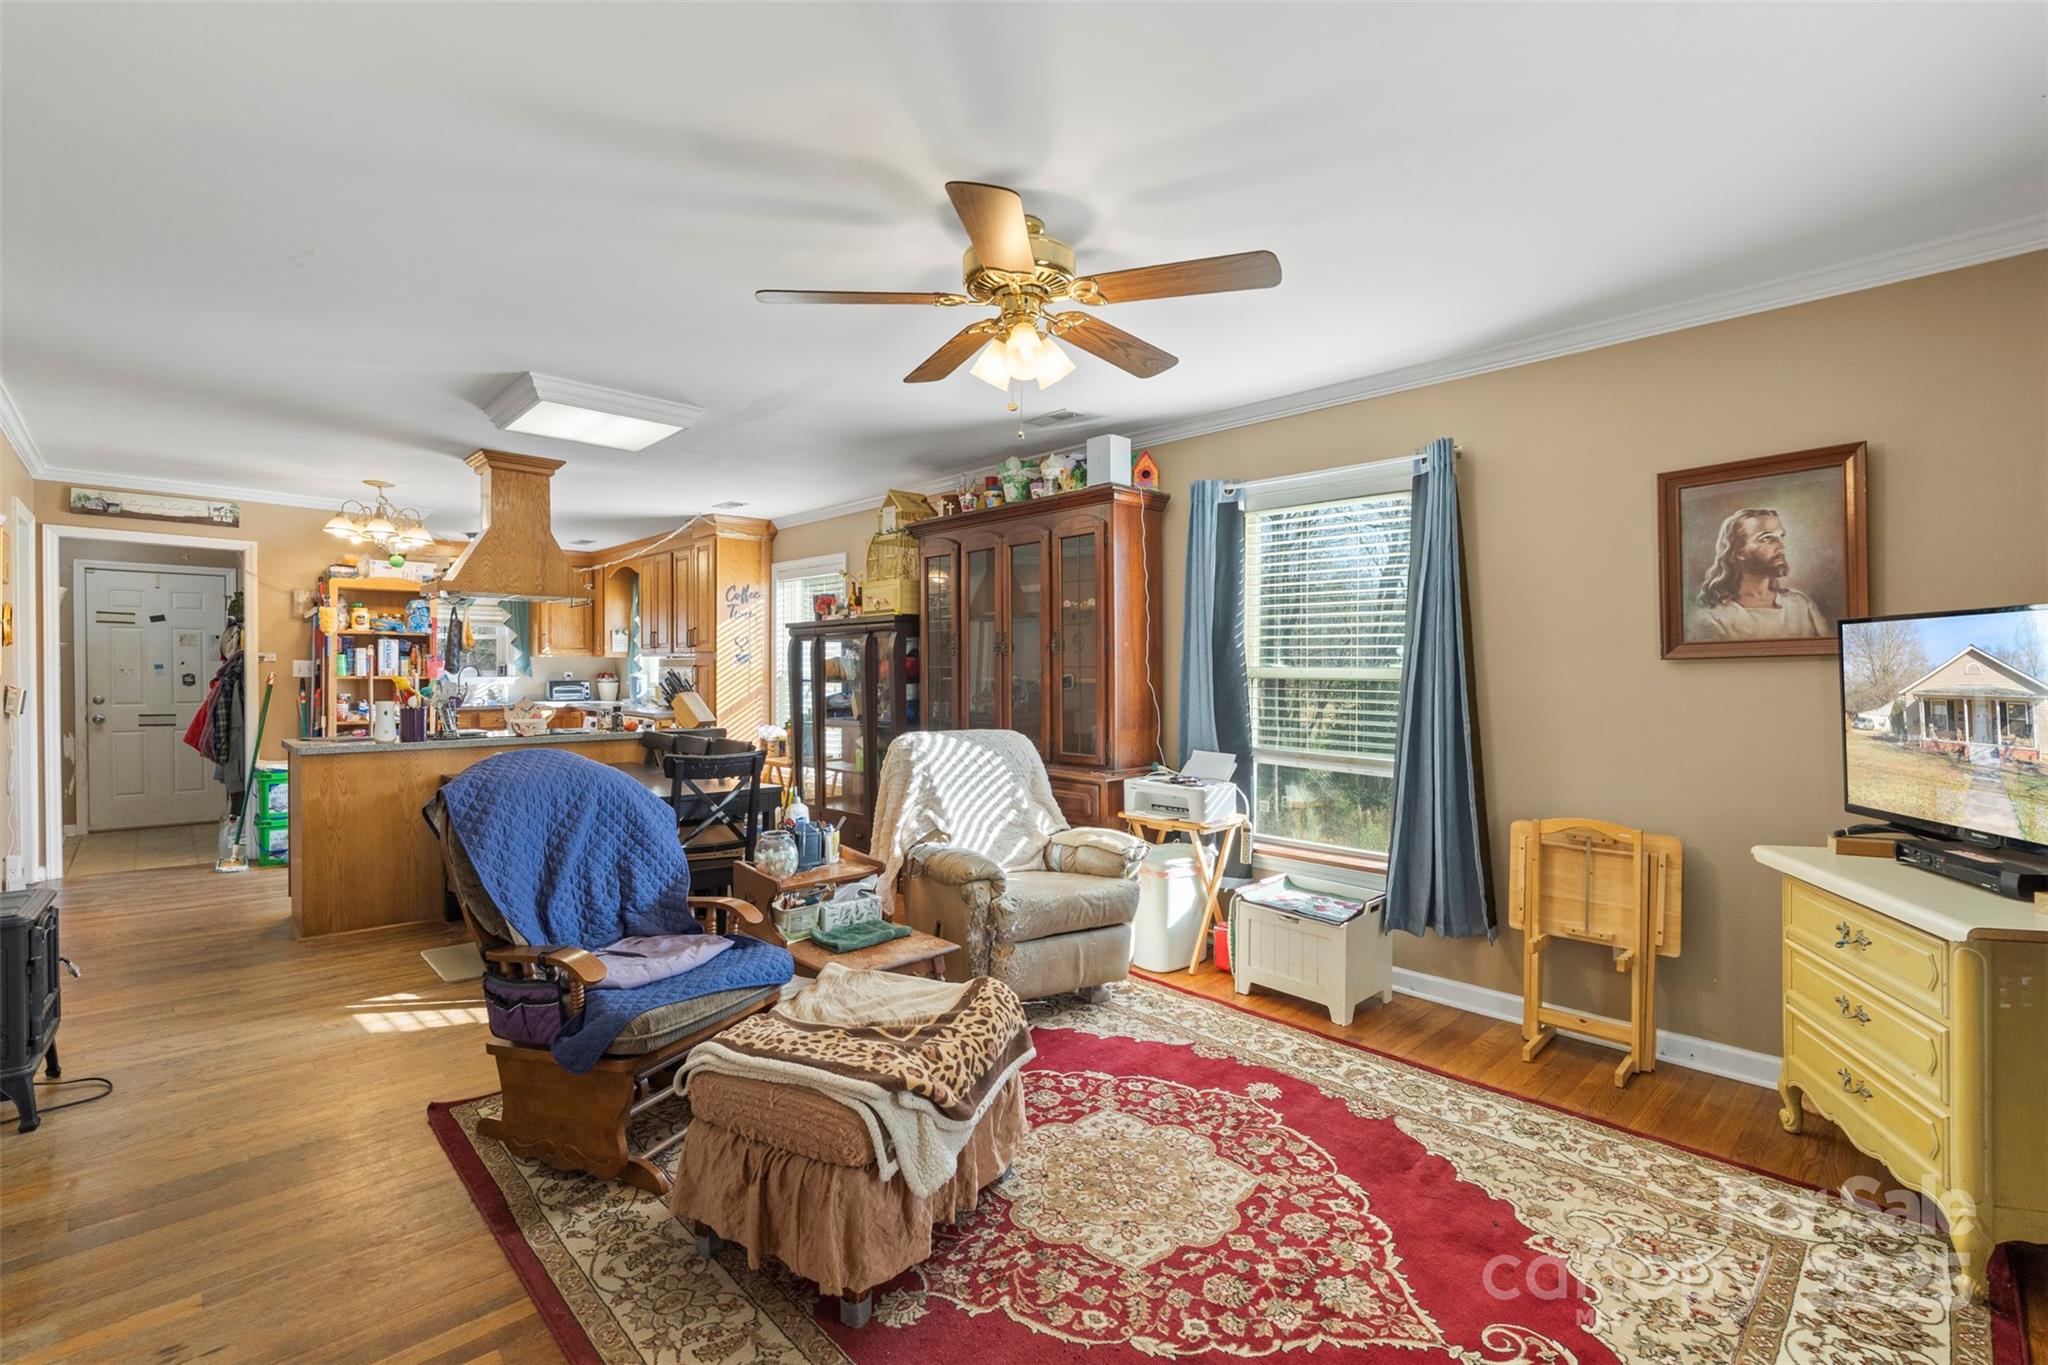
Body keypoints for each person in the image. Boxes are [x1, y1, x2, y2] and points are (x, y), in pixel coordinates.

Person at [1689, 507, 1830, 641]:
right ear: (1738, 552)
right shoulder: (1713, 616)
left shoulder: (1799, 605)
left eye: (1782, 536)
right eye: (1766, 538)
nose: (1782, 547)